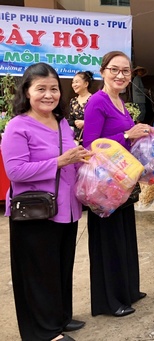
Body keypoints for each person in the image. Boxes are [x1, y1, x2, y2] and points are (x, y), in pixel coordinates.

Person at [1, 62, 92, 341]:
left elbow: (69, 162)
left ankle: (60, 317)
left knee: (60, 268)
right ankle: (43, 332)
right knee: (38, 273)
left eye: (54, 88)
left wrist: (84, 158)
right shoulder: (18, 126)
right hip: (36, 211)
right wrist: (59, 161)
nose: (49, 94)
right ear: (27, 92)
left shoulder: (61, 122)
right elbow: (14, 171)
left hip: (66, 209)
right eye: (41, 88)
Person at [83, 51, 151, 318]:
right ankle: (109, 302)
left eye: (126, 71)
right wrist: (126, 134)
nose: (121, 75)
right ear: (102, 71)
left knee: (124, 238)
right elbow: (91, 145)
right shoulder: (97, 102)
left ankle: (128, 291)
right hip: (104, 188)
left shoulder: (120, 101)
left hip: (121, 185)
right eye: (115, 70)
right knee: (108, 243)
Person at [68, 71, 93, 144]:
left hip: (90, 139)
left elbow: (100, 120)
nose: (74, 85)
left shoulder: (93, 99)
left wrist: (86, 123)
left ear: (86, 84)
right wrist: (74, 122)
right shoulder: (73, 101)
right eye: (73, 82)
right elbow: (70, 120)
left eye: (77, 82)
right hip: (75, 141)